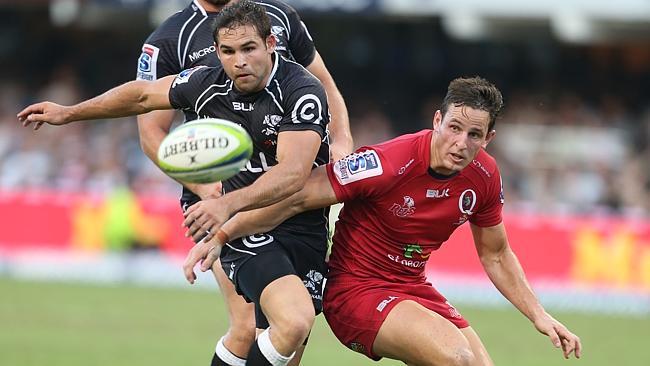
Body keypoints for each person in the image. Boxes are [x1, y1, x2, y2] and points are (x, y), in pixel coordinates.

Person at [182, 77, 583, 365]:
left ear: (488, 138)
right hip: (355, 292)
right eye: (454, 128)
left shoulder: (484, 177)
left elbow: (496, 255)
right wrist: (223, 232)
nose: (461, 143)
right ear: (437, 120)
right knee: (456, 360)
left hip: (411, 287)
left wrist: (539, 315)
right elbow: (298, 195)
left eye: (474, 135)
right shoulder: (387, 162)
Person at [19, 2, 333, 365]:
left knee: (286, 344)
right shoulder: (204, 80)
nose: (239, 61)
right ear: (217, 52)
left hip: (299, 221)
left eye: (248, 49)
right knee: (288, 322)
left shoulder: (301, 90)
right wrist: (69, 113)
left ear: (271, 44)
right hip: (239, 222)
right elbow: (141, 95)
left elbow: (293, 175)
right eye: (228, 52)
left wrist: (341, 139)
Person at [134, 0, 351, 364]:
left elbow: (323, 82)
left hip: (289, 196)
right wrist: (207, 190)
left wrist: (342, 138)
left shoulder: (277, 16)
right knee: (250, 325)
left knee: (291, 337)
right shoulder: (170, 38)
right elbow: (152, 135)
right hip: (225, 197)